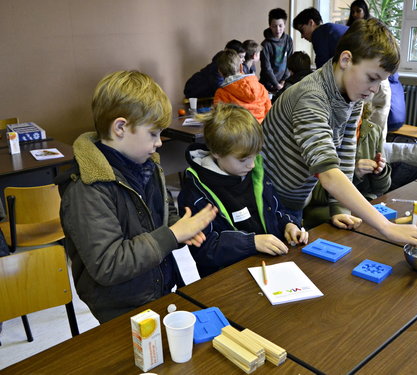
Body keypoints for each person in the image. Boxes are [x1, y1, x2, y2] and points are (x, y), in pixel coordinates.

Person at [58, 71, 217, 323]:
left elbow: (163, 214)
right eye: (153, 134)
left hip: (159, 293)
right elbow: (108, 264)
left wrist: (181, 228)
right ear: (120, 127)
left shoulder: (147, 166)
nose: (159, 143)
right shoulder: (87, 189)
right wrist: (173, 234)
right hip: (121, 311)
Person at [261, 19, 417, 247]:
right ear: (346, 60)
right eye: (372, 78)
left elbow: (345, 155)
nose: (374, 90)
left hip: (295, 200)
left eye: (380, 82)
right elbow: (328, 172)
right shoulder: (311, 97)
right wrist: (386, 227)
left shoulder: (352, 96)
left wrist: (339, 207)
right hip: (267, 200)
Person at [177, 103, 308, 277]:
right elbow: (205, 250)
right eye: (244, 159)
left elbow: (275, 210)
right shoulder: (196, 193)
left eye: (255, 155)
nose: (252, 164)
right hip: (227, 279)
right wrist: (251, 242)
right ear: (216, 152)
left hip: (269, 269)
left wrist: (288, 224)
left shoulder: (254, 173)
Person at [303, 103, 392, 229]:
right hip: (328, 206)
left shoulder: (373, 130)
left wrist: (380, 172)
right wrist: (354, 174)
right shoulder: (322, 133)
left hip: (365, 200)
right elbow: (315, 195)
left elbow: (381, 189)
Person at [214, 49, 271, 123]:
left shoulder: (221, 93)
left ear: (220, 72)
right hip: (260, 130)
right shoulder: (260, 87)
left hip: (238, 132)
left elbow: (220, 118)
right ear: (241, 67)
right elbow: (269, 112)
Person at [259, 8, 293, 93]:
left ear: (285, 25)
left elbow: (290, 60)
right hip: (267, 84)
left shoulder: (288, 40)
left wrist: (283, 81)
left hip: (283, 83)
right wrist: (276, 84)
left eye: (280, 26)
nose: (278, 29)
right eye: (274, 26)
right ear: (270, 26)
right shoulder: (265, 44)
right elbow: (266, 67)